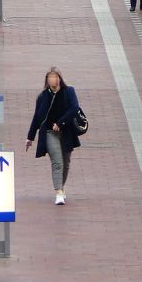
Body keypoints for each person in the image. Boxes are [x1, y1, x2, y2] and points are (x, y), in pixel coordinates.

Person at [26, 68, 82, 206]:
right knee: (57, 162)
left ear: (59, 79)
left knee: (66, 162)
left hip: (66, 132)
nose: (52, 80)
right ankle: (58, 193)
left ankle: (61, 187)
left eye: (54, 77)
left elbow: (74, 108)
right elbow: (37, 117)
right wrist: (30, 137)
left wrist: (61, 122)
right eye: (49, 78)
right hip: (50, 133)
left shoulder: (69, 92)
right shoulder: (42, 96)